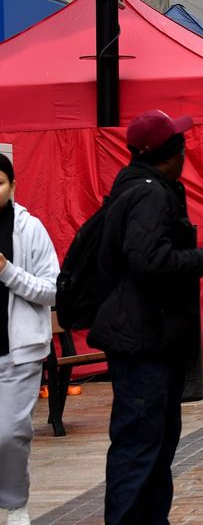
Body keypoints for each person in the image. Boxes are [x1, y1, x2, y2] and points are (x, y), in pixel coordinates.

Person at [90, 110, 203, 523]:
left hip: (149, 336)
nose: (186, 152)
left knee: (157, 442)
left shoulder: (137, 186)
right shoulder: (149, 193)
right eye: (181, 145)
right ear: (170, 154)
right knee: (140, 443)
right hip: (142, 338)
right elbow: (148, 259)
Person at [0, 154, 58, 525]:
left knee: (8, 434)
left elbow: (53, 290)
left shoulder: (29, 228)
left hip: (18, 351)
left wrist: (8, 272)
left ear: (13, 186)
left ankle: (15, 503)